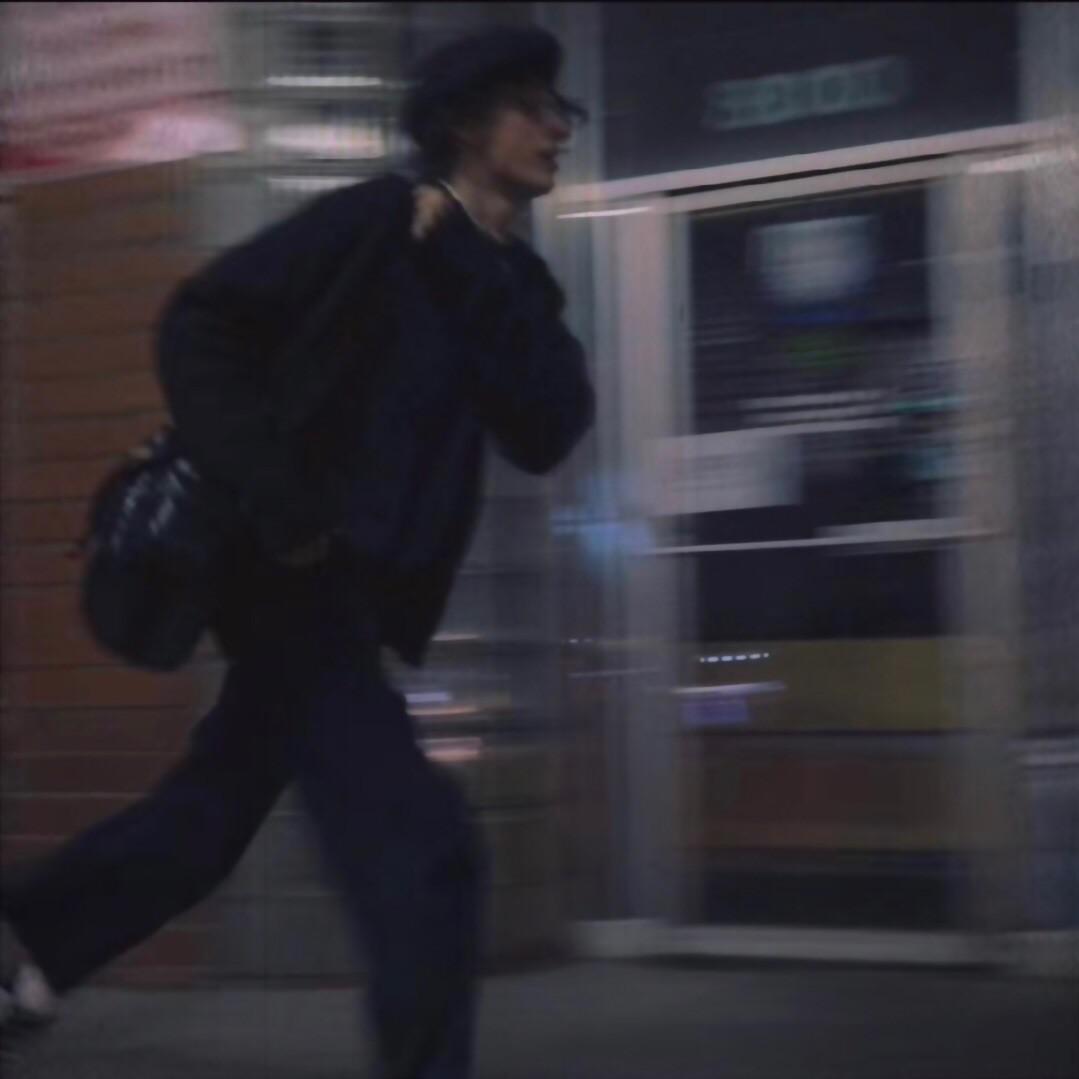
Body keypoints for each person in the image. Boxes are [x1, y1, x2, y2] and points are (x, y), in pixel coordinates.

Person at [0, 25, 594, 1079]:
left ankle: (34, 946)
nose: (558, 128)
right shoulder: (373, 222)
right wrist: (276, 497)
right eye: (535, 108)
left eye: (563, 110)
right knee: (424, 847)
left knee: (206, 815)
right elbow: (199, 323)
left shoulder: (512, 282)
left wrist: (467, 262)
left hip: (358, 602)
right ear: (467, 123)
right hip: (287, 574)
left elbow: (547, 426)